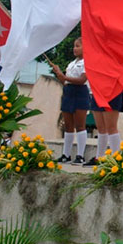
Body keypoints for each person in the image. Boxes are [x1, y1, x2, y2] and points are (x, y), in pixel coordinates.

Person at [49, 37, 89, 165]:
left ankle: (80, 155)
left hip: (80, 92)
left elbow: (82, 79)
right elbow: (65, 82)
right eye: (74, 46)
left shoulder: (86, 62)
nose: (74, 49)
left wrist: (65, 76)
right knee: (68, 125)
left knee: (80, 125)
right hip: (68, 92)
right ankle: (66, 154)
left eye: (78, 46)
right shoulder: (71, 64)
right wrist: (59, 74)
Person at [87, 92, 123, 166]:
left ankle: (116, 160)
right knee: (101, 128)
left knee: (111, 127)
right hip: (98, 91)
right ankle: (99, 158)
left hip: (112, 91)